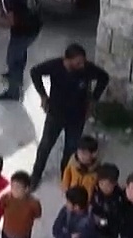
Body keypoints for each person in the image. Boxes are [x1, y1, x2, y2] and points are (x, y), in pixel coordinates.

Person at [29, 45, 111, 179]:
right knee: (45, 146)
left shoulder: (87, 69)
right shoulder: (55, 66)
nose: (82, 65)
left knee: (71, 148)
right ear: (67, 60)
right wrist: (43, 95)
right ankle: (36, 175)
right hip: (55, 114)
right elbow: (34, 72)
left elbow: (104, 77)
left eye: (83, 61)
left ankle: (65, 175)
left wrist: (93, 99)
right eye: (78, 62)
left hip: (77, 116)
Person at [0, 0, 45, 100]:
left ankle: (13, 92)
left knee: (13, 60)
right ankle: (17, 77)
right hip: (34, 25)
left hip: (23, 30)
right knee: (20, 53)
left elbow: (10, 22)